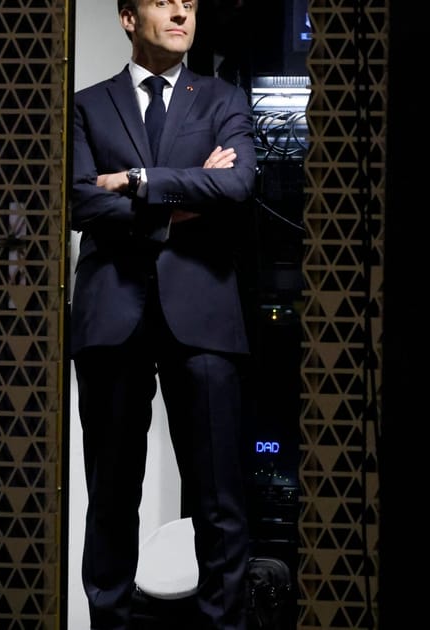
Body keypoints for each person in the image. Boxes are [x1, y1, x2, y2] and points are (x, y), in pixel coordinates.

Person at [68, 1, 257, 629]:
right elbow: (80, 202)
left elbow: (236, 187)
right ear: (128, 17)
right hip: (111, 313)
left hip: (203, 312)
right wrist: (185, 197)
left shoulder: (223, 99)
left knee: (219, 501)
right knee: (111, 497)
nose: (181, 12)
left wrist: (137, 180)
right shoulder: (86, 105)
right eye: (164, 1)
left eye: (190, 4)